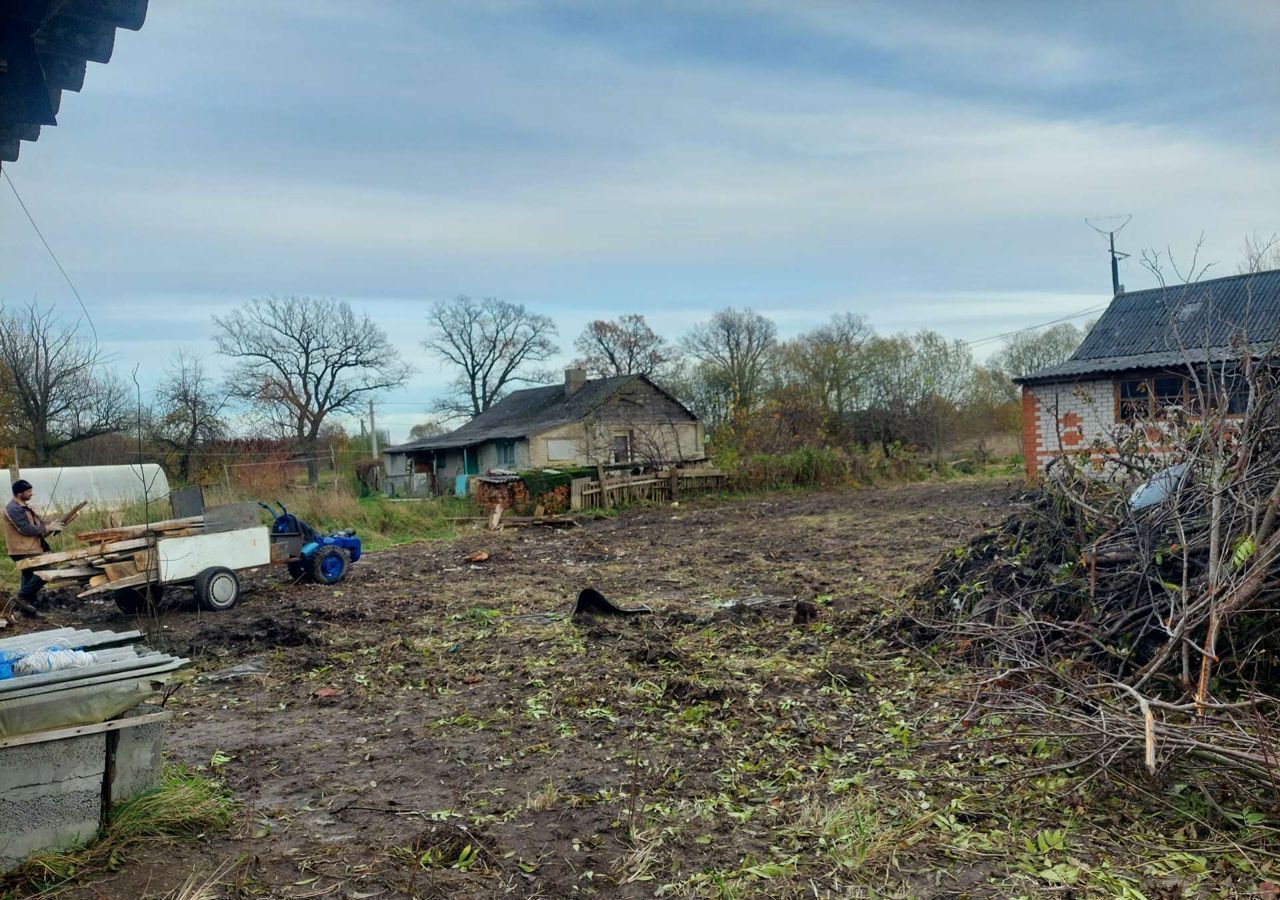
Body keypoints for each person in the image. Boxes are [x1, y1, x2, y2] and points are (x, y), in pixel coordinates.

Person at [4, 479, 63, 617]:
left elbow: (38, 527)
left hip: (31, 548)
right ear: (19, 493)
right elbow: (25, 528)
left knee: (29, 575)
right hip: (22, 550)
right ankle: (21, 597)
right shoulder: (13, 508)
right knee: (46, 572)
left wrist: (50, 526)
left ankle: (26, 610)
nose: (31, 493)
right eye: (28, 491)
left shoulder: (25, 507)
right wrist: (47, 527)